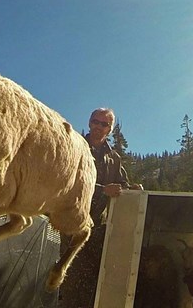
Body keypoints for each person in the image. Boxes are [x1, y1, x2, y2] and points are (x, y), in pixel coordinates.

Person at [59, 107, 143, 308]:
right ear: (89, 123)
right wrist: (102, 190)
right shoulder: (74, 145)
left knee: (95, 277)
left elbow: (120, 184)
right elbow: (67, 180)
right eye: (95, 121)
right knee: (71, 274)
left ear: (110, 129)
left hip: (97, 227)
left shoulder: (113, 158)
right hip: (71, 221)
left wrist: (131, 188)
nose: (98, 126)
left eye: (103, 124)